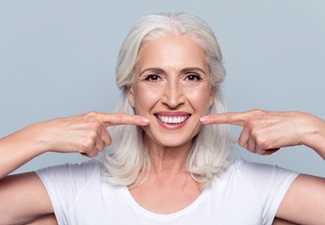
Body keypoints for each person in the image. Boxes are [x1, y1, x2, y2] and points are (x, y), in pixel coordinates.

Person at [0, 12, 324, 225]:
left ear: (211, 92)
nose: (172, 98)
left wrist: (312, 130)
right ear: (131, 91)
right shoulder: (78, 189)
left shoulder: (253, 189)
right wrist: (39, 136)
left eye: (191, 77)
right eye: (154, 77)